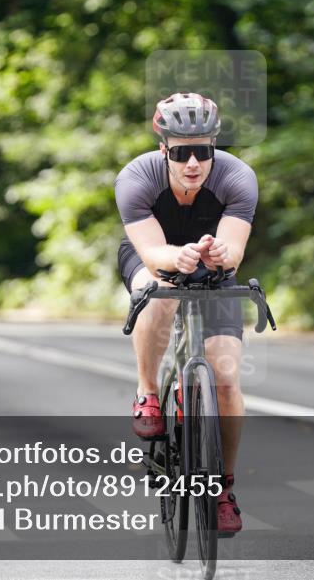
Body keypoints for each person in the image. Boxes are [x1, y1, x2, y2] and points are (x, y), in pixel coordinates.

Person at [114, 92, 258, 536]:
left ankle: (222, 490)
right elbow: (153, 252)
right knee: (155, 290)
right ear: (164, 150)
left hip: (214, 270)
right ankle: (148, 392)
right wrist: (178, 258)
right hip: (154, 259)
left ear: (215, 146)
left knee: (227, 375)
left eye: (203, 151)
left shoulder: (238, 178)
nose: (193, 162)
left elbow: (232, 251)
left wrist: (217, 255)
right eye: (181, 152)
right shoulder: (136, 178)